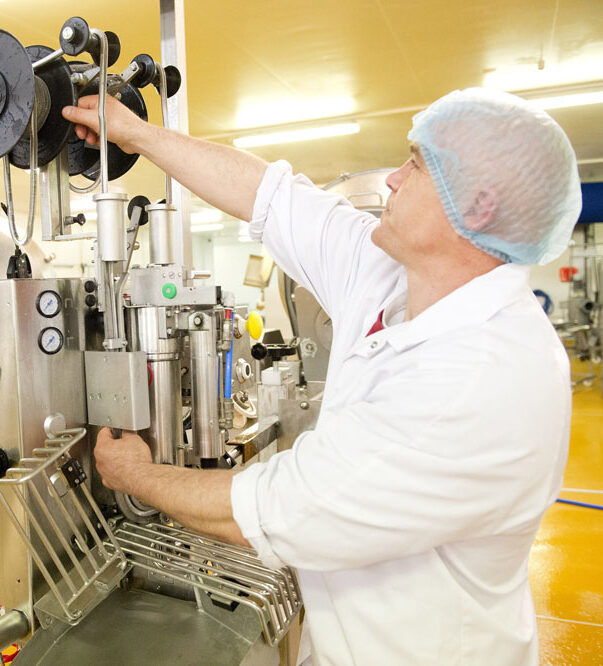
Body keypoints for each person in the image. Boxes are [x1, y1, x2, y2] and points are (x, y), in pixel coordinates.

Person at [62, 87, 582, 666]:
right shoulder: (392, 274)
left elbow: (280, 509)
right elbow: (269, 195)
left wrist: (134, 474)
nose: (392, 181)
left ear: (480, 206)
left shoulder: (483, 377)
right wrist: (136, 133)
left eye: (415, 165)